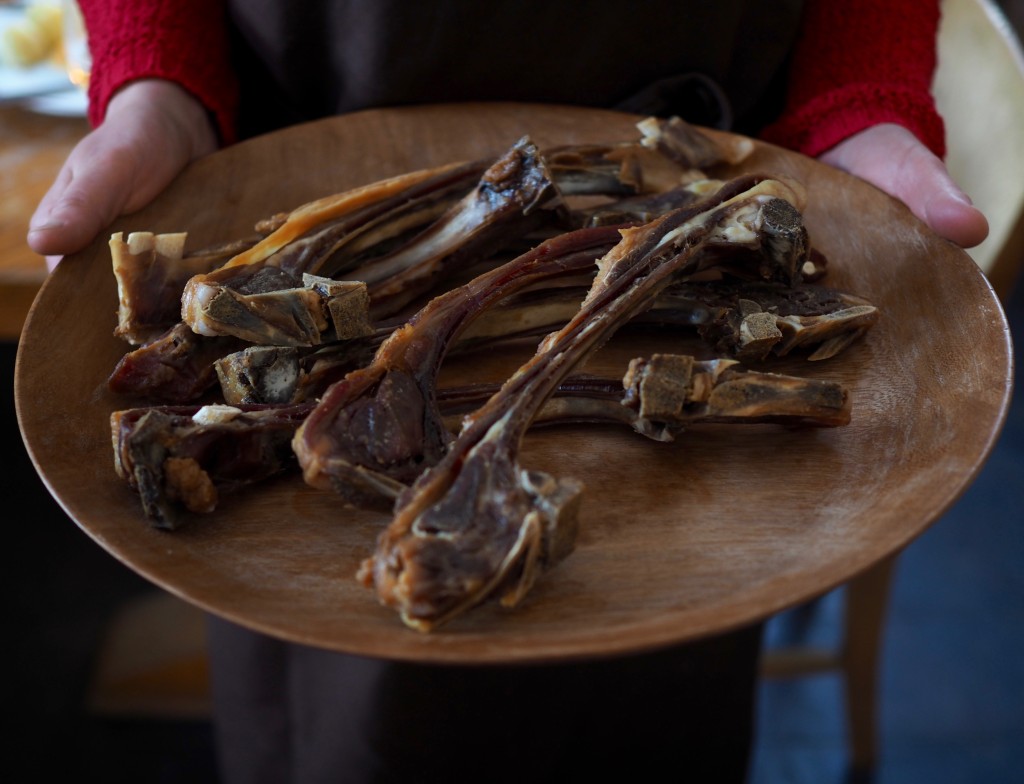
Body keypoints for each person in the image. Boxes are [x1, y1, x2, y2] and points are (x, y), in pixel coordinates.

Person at [25, 2, 990, 782]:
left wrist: (857, 101)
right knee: (349, 725)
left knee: (645, 705)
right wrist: (160, 82)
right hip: (309, 120)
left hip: (701, 183)